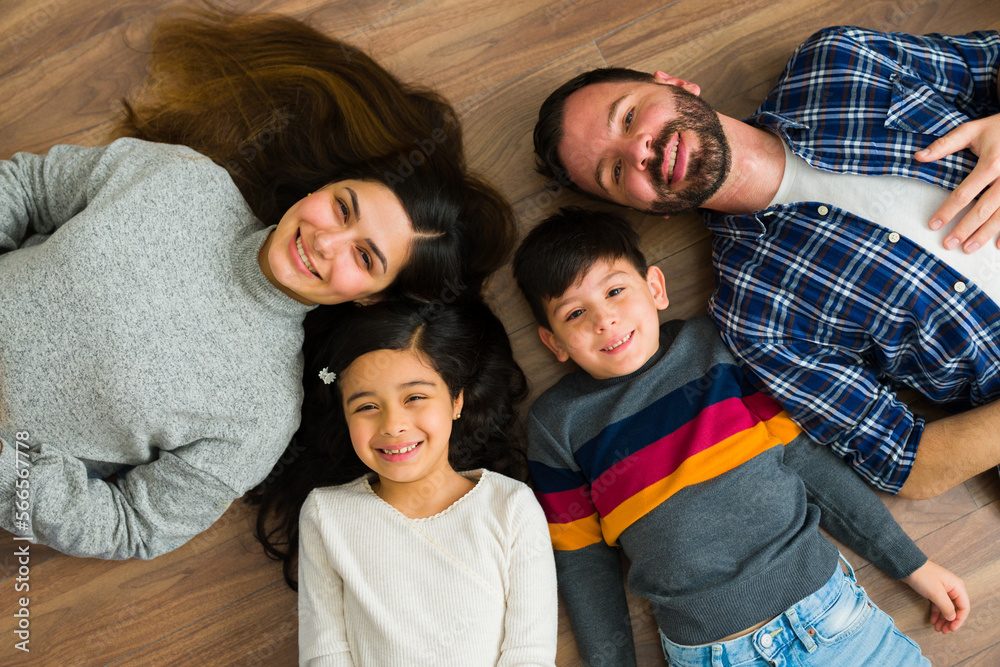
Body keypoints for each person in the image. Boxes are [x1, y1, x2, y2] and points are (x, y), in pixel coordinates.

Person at [0, 10, 515, 559]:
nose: (326, 242)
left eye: (364, 256)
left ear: (371, 296)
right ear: (327, 184)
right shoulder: (182, 178)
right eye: (342, 208)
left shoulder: (262, 415)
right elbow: (28, 187)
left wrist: (9, 464)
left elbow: (133, 528)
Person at [533, 26, 1000, 499]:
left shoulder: (840, 61)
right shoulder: (755, 316)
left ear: (674, 84)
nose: (638, 151)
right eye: (614, 171)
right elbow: (905, 462)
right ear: (649, 208)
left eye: (629, 116)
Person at [512, 207, 969, 667]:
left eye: (615, 291)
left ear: (654, 288)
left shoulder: (715, 347)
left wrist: (912, 564)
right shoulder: (558, 424)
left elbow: (808, 463)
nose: (604, 320)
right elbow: (584, 563)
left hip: (830, 621)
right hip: (711, 653)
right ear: (554, 343)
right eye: (575, 313)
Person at [278, 299, 558, 665]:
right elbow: (325, 651)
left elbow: (529, 652)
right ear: (344, 416)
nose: (393, 425)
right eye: (366, 406)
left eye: (415, 397)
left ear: (456, 400)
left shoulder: (511, 505)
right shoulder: (326, 514)